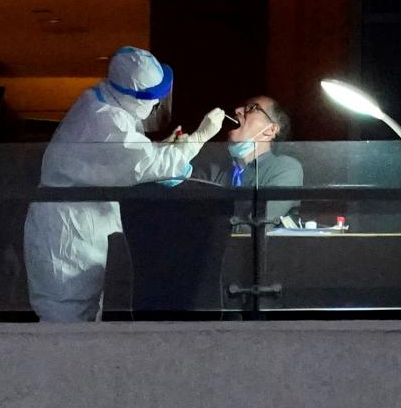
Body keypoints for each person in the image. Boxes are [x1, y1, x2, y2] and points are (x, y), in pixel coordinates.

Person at [24, 46, 225, 322]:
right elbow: (142, 164)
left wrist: (162, 148)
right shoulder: (104, 118)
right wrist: (199, 138)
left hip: (83, 226)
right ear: (136, 97)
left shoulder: (105, 102)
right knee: (65, 323)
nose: (156, 104)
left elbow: (127, 159)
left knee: (83, 322)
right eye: (153, 98)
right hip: (69, 235)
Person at [215, 94, 305, 226]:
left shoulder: (284, 168)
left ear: (271, 129)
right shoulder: (216, 170)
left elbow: (256, 224)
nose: (238, 110)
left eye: (252, 108)